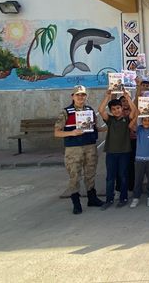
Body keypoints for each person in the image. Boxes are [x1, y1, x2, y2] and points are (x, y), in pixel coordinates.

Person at [54, 85, 104, 214]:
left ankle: (92, 198)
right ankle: (76, 202)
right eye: (78, 95)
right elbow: (57, 133)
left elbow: (94, 128)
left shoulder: (90, 111)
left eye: (83, 95)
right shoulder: (66, 112)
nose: (81, 97)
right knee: (75, 176)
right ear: (73, 96)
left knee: (90, 173)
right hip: (73, 148)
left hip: (90, 146)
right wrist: (71, 133)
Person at [98, 89, 138, 210]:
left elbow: (135, 111)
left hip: (124, 152)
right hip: (111, 152)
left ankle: (123, 198)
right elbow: (100, 110)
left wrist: (128, 97)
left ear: (122, 108)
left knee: (123, 176)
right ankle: (109, 199)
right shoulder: (110, 120)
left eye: (118, 108)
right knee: (110, 177)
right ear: (111, 111)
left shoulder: (127, 119)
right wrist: (107, 96)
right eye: (114, 109)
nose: (116, 111)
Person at [129, 115, 149, 208]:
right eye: (144, 120)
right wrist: (137, 115)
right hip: (139, 159)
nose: (146, 122)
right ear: (141, 121)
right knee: (138, 179)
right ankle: (136, 197)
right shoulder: (139, 129)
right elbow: (130, 126)